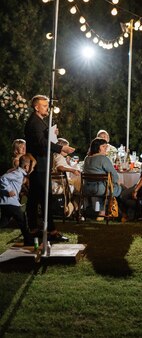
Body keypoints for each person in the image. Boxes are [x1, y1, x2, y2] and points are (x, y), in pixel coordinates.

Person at [24, 94, 74, 242]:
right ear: (36, 107)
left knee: (34, 198)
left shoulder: (39, 122)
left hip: (40, 164)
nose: (47, 108)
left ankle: (33, 229)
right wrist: (61, 148)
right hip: (39, 164)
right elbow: (40, 143)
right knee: (45, 198)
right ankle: (51, 231)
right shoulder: (34, 122)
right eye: (44, 105)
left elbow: (43, 140)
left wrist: (51, 134)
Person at [82, 137, 123, 220]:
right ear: (98, 147)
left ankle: (102, 211)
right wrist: (116, 182)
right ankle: (118, 213)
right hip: (100, 189)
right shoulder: (103, 159)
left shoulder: (87, 159)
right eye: (104, 146)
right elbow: (114, 175)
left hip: (86, 188)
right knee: (120, 188)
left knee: (110, 188)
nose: (106, 148)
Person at [0, 153, 37, 246]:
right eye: (31, 167)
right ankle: (28, 241)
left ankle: (28, 240)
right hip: (11, 202)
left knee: (4, 222)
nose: (32, 169)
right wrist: (9, 190)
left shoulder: (20, 174)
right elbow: (3, 178)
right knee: (22, 220)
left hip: (7, 203)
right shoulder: (18, 173)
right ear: (26, 166)